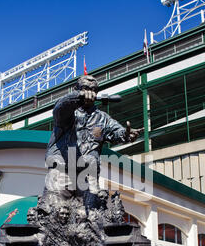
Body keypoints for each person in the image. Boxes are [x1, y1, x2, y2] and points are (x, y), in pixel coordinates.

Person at [43, 75, 143, 209]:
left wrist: (126, 134)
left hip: (87, 172)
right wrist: (78, 97)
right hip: (62, 169)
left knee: (89, 213)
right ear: (76, 89)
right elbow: (60, 108)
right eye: (85, 88)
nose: (90, 92)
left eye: (93, 90)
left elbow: (116, 131)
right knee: (54, 210)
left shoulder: (103, 118)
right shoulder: (67, 110)